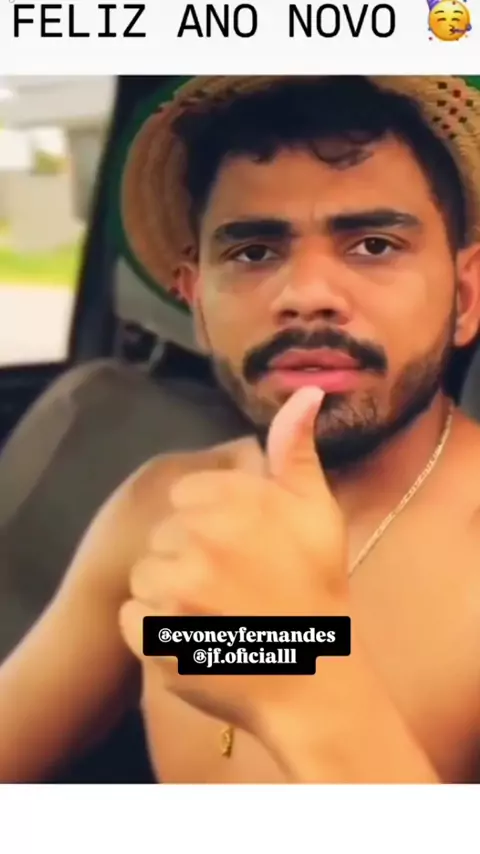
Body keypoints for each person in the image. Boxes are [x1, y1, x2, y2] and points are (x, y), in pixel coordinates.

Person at [2, 74, 480, 784]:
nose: (306, 296)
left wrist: (306, 690)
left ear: (465, 298)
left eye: (374, 245)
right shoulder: (162, 510)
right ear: (197, 305)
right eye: (253, 253)